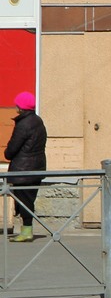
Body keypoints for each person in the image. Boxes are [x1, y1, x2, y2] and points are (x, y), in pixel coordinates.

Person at [6, 91, 47, 243]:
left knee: (24, 201)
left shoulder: (23, 124)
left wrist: (7, 152)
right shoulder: (38, 121)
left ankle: (27, 231)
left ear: (21, 107)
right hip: (37, 167)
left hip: (23, 169)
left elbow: (12, 149)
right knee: (28, 199)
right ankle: (26, 230)